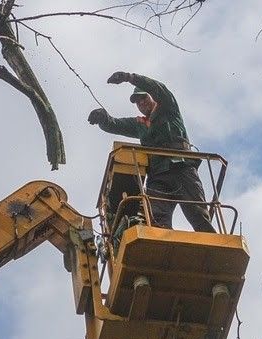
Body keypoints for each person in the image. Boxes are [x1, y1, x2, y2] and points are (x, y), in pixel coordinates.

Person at [87, 71, 216, 233]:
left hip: (181, 168)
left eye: (144, 98)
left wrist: (130, 78)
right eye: (137, 102)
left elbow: (158, 88)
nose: (141, 103)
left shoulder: (168, 108)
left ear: (153, 97)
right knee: (156, 219)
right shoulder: (140, 125)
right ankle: (164, 251)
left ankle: (211, 244)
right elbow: (115, 124)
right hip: (158, 175)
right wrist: (103, 117)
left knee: (197, 213)